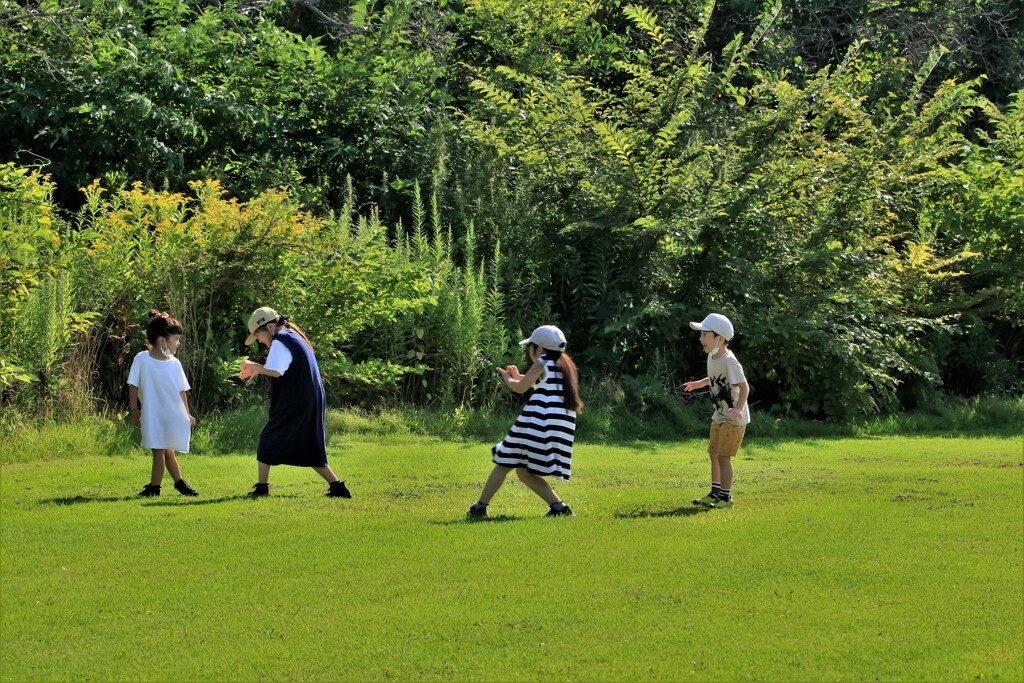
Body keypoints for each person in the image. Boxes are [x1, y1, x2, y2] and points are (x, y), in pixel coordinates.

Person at [468, 325, 582, 519]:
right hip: (555, 424)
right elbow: (543, 390)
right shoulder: (563, 364)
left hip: (537, 422)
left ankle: (480, 508)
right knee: (523, 472)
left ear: (538, 349)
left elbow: (520, 388)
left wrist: (507, 379)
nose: (529, 351)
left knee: (503, 462)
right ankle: (559, 508)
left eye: (530, 347)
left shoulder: (542, 360)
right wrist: (521, 377)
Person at [239, 306, 351, 499]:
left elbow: (276, 370)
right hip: (306, 398)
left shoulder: (281, 340)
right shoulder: (291, 335)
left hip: (298, 399)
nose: (260, 341)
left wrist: (255, 367)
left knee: (268, 438)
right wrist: (258, 368)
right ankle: (337, 487)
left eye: (258, 336)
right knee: (309, 444)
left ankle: (262, 489)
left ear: (267, 328)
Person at [127, 310, 198, 497]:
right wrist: (135, 409)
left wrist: (187, 413)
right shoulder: (142, 359)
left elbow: (181, 390)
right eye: (176, 339)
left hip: (170, 414)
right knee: (159, 450)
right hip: (152, 414)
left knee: (168, 451)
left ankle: (177, 484)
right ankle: (155, 487)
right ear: (162, 340)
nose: (178, 343)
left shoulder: (174, 363)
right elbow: (133, 386)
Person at [683, 313, 750, 509]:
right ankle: (715, 492)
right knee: (713, 453)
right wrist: (699, 383)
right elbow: (713, 378)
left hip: (733, 418)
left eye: (705, 335)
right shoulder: (713, 356)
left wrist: (738, 409)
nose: (701, 339)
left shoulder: (730, 361)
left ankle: (726, 498)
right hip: (719, 415)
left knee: (723, 456)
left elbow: (744, 387)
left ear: (719, 339)